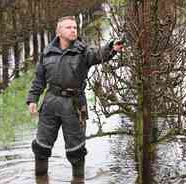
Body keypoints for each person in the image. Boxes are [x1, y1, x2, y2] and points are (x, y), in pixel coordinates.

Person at [26, 16, 123, 182]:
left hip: (74, 105)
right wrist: (33, 99)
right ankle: (40, 178)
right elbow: (39, 79)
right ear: (59, 31)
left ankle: (78, 179)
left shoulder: (83, 51)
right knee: (41, 146)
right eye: (68, 27)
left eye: (75, 27)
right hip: (50, 103)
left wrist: (111, 48)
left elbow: (98, 54)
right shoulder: (48, 52)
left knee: (76, 150)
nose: (73, 30)